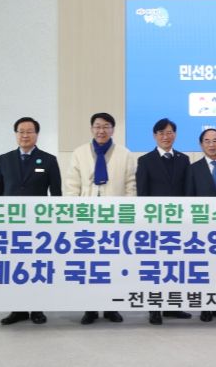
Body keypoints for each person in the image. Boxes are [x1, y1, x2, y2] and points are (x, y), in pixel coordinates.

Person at [65, 112, 136, 325]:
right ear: (91, 129)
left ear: (113, 129)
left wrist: (126, 213)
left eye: (106, 126)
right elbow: (72, 185)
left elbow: (130, 186)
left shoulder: (125, 154)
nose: (101, 130)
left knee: (113, 264)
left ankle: (112, 307)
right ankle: (90, 308)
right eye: (97, 126)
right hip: (86, 216)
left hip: (115, 217)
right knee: (89, 265)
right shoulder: (80, 153)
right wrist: (73, 212)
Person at [0, 117, 62, 325]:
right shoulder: (4, 159)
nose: (25, 135)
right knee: (15, 266)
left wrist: (55, 221)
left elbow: (56, 194)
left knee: (37, 266)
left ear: (36, 134)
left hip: (38, 225)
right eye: (21, 131)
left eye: (29, 131)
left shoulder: (48, 160)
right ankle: (18, 309)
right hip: (11, 223)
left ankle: (37, 308)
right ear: (16, 134)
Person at [136, 118, 193, 325]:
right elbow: (142, 193)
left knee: (175, 266)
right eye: (161, 133)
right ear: (155, 136)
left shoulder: (184, 159)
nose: (165, 137)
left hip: (178, 222)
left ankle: (172, 306)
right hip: (155, 223)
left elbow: (188, 191)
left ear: (175, 135)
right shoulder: (145, 160)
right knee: (156, 267)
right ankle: (155, 308)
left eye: (169, 132)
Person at [185, 128, 216, 323]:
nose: (211, 145)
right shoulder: (193, 169)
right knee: (204, 269)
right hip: (202, 227)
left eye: (215, 141)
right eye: (207, 141)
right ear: (201, 144)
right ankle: (205, 306)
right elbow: (189, 198)